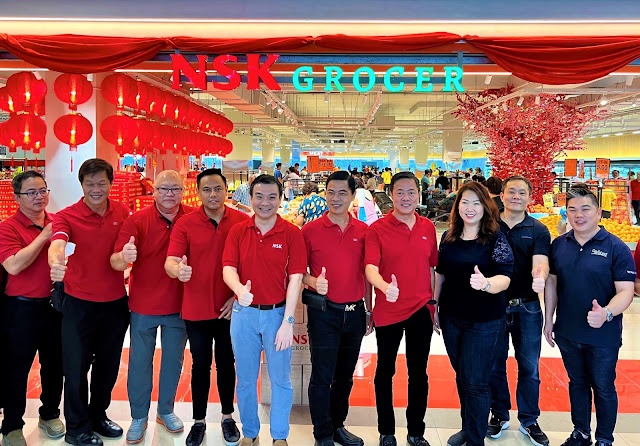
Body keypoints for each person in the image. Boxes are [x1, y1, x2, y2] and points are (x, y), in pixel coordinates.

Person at [544, 186, 636, 446]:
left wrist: (607, 313)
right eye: (572, 210)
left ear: (598, 212)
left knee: (603, 387)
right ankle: (581, 433)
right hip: (567, 331)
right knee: (577, 383)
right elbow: (552, 283)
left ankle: (604, 439)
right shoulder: (559, 245)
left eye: (585, 209)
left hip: (602, 335)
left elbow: (626, 291)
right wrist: (548, 319)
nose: (578, 215)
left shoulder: (616, 247)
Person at [48, 158, 130, 446]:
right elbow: (58, 243)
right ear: (81, 185)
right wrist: (56, 261)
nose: (96, 189)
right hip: (78, 303)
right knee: (76, 367)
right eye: (90, 184)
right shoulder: (67, 216)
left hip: (115, 303)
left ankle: (98, 416)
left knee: (108, 366)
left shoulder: (122, 211)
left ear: (111, 183)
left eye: (101, 183)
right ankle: (76, 428)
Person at [164, 168, 248, 446]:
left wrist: (236, 296)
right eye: (207, 190)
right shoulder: (185, 224)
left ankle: (227, 417)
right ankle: (198, 421)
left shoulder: (241, 221)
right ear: (198, 193)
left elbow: (250, 265)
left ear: (226, 190)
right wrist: (178, 271)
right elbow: (171, 260)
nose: (213, 194)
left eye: (218, 189)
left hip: (229, 308)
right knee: (200, 364)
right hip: (196, 307)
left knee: (226, 363)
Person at [110, 170, 195, 444]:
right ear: (154, 191)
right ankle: (138, 416)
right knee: (139, 363)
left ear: (183, 191)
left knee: (173, 361)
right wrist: (124, 256)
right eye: (163, 188)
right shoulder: (136, 220)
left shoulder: (194, 218)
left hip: (179, 304)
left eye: (175, 189)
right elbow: (115, 262)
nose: (169, 194)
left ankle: (166, 411)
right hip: (143, 304)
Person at [222, 174, 306, 446]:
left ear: (280, 199)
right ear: (251, 198)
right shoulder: (238, 231)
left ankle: (279, 435)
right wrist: (239, 290)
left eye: (272, 197)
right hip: (244, 315)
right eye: (259, 196)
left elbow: (296, 278)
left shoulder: (292, 233)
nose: (265, 203)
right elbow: (228, 269)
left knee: (280, 379)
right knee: (246, 379)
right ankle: (250, 432)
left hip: (276, 315)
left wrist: (288, 322)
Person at [434, 181, 514, 446]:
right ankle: (468, 428)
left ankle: (475, 438)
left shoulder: (494, 237)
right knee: (462, 376)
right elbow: (441, 275)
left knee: (476, 382)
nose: (470, 208)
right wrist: (435, 306)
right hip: (451, 317)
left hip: (485, 320)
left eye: (476, 203)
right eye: (465, 202)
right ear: (457, 206)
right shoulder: (449, 237)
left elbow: (505, 277)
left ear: (485, 206)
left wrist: (486, 284)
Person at [364, 172, 439, 446]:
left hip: (420, 309)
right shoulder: (376, 229)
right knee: (385, 371)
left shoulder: (427, 227)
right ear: (391, 195)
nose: (406, 198)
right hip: (388, 310)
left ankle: (416, 431)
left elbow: (432, 269)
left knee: (418, 373)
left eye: (411, 192)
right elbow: (369, 269)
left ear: (418, 195)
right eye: (400, 192)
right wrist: (385, 287)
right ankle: (386, 431)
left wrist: (434, 305)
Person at [302, 171, 373, 446]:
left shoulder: (364, 232)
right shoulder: (310, 231)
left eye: (343, 193)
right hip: (323, 313)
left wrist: (369, 310)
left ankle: (338, 426)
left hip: (354, 313)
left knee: (344, 377)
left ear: (353, 196)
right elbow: (297, 272)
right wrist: (312, 281)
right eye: (331, 192)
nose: (336, 198)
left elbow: (368, 274)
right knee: (322, 376)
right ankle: (322, 434)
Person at [0, 172, 64, 446]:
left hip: (55, 307)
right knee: (17, 368)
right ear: (17, 197)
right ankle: (12, 426)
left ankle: (49, 415)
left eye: (42, 191)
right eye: (31, 192)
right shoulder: (8, 227)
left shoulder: (58, 222)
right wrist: (43, 237)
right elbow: (13, 265)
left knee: (55, 366)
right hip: (21, 310)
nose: (39, 197)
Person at [487, 176, 551, 446]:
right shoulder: (489, 225)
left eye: (522, 192)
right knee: (495, 364)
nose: (516, 196)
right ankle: (499, 414)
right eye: (511, 191)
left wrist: (540, 277)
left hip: (528, 306)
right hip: (494, 304)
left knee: (529, 367)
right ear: (501, 195)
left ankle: (529, 419)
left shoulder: (538, 230)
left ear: (530, 197)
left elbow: (541, 262)